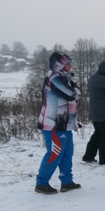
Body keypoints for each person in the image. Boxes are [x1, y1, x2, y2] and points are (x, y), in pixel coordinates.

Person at [35, 52, 82, 194]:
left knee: (67, 153)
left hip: (64, 124)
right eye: (67, 63)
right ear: (59, 65)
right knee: (55, 153)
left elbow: (74, 95)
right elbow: (72, 94)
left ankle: (66, 181)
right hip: (54, 124)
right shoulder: (55, 78)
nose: (70, 66)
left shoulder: (63, 78)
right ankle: (41, 183)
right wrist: (74, 87)